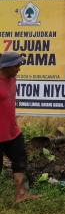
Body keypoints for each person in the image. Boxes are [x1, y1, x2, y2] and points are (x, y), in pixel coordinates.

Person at [0, 52, 39, 203]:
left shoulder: (12, 77)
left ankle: (21, 195)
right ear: (6, 66)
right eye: (17, 66)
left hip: (12, 132)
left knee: (20, 161)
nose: (19, 69)